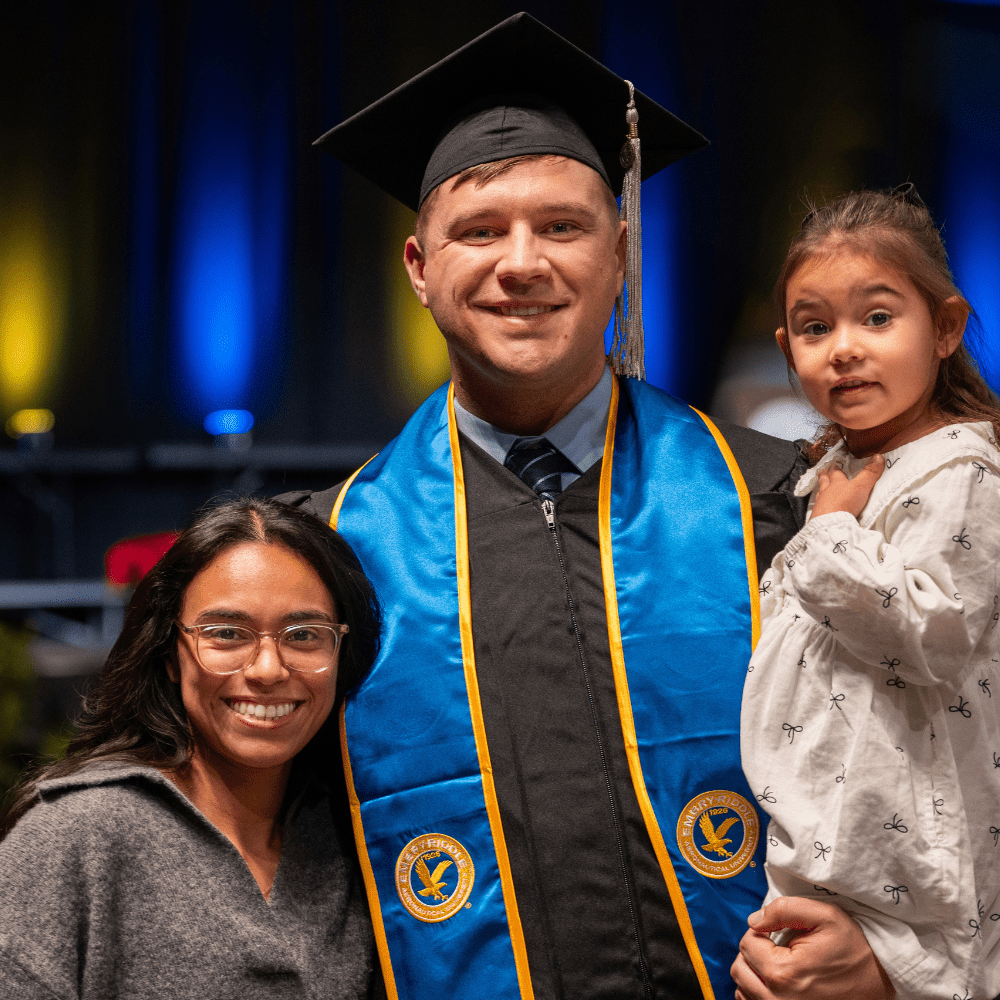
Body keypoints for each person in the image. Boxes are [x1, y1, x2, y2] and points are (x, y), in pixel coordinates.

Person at [282, 13, 890, 1000]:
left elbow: (936, 769)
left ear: (618, 251)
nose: (521, 262)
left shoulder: (785, 502)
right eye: (478, 231)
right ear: (419, 269)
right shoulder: (332, 551)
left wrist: (892, 952)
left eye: (561, 226)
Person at [738, 186, 1000, 1000]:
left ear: (946, 328)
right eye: (816, 328)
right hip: (831, 851)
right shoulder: (837, 472)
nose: (844, 348)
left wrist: (830, 535)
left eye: (878, 318)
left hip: (910, 876)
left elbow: (931, 632)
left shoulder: (963, 471)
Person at [0, 497, 384, 999]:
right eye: (226, 633)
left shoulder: (360, 835)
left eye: (304, 634)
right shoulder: (72, 837)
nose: (268, 668)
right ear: (169, 655)